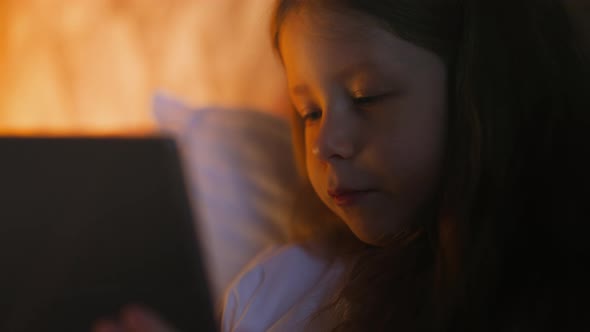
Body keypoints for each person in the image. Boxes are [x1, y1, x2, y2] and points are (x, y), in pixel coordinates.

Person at [93, 0, 590, 331]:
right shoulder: (273, 290)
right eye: (309, 112)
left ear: (483, 90)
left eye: (366, 97)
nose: (324, 144)